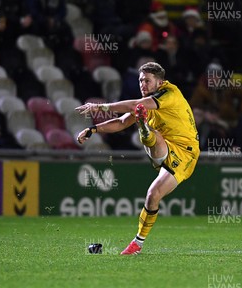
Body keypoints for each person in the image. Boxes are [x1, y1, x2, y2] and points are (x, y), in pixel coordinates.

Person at [76, 62, 200, 255]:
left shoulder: (169, 94)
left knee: (153, 140)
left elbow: (135, 105)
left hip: (186, 153)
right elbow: (121, 122)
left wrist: (100, 107)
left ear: (160, 82)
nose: (143, 84)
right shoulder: (147, 102)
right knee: (152, 196)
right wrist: (93, 129)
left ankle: (144, 128)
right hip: (164, 148)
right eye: (141, 80)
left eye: (147, 80)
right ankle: (137, 244)